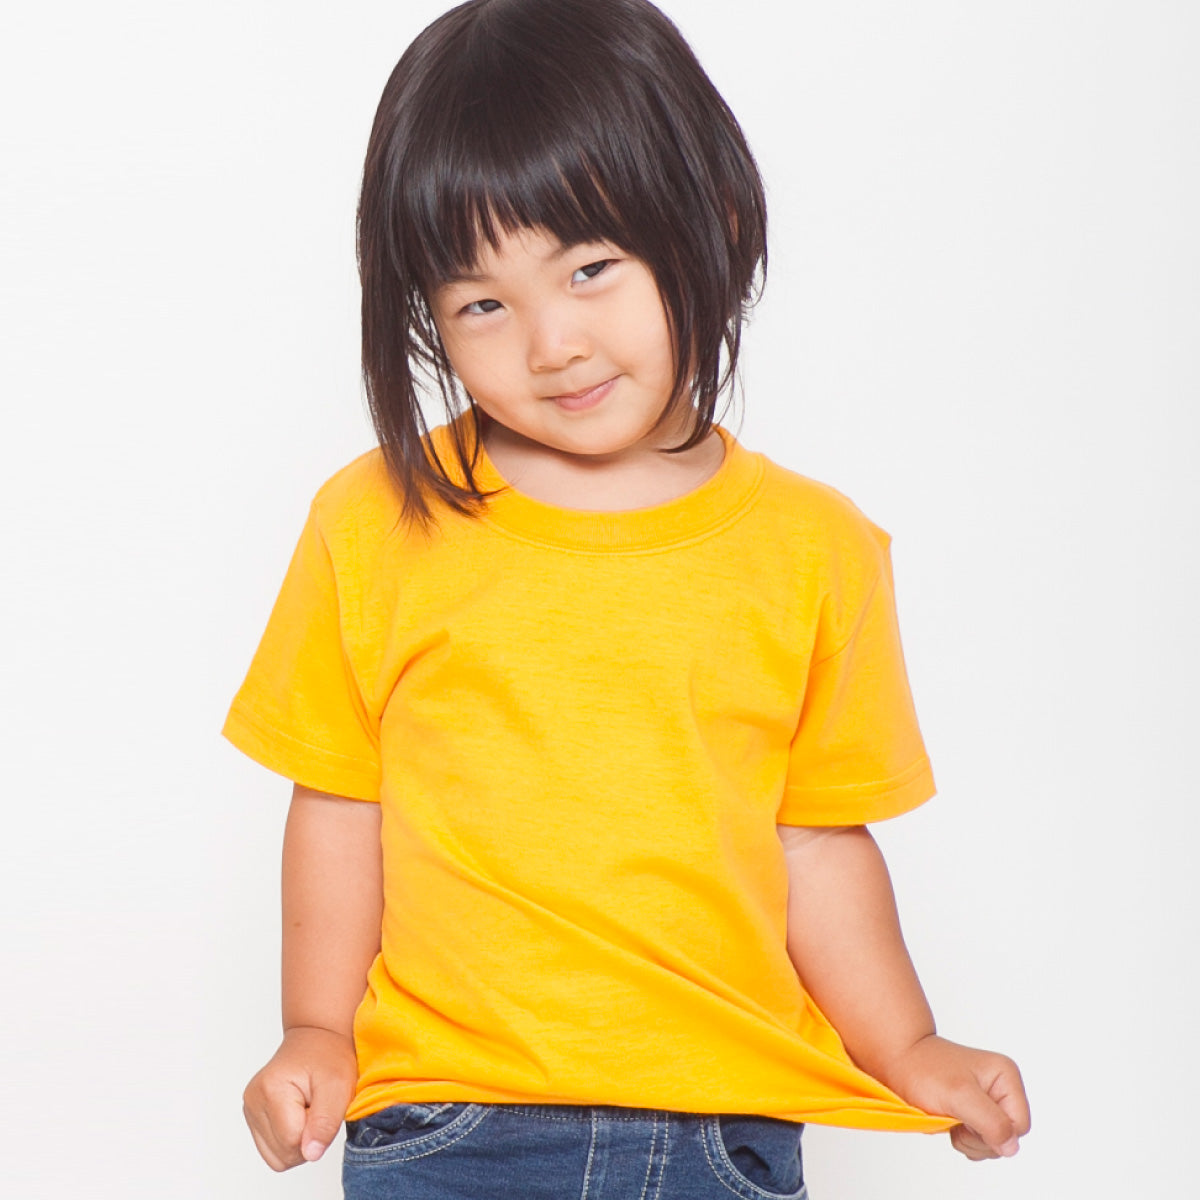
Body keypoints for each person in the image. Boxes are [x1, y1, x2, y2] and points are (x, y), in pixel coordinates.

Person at [224, 1, 1031, 1195]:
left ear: (715, 222)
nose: (551, 343)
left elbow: (816, 840)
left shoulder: (816, 549)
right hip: (451, 1128)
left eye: (590, 269)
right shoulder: (376, 518)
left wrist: (908, 1045)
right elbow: (340, 801)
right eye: (481, 304)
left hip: (721, 1135)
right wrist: (315, 1030)